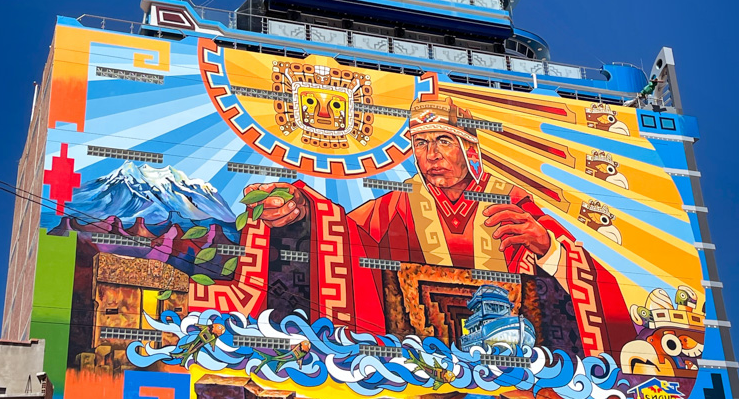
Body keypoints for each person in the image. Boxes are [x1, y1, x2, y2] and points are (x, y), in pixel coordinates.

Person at [240, 94, 636, 359]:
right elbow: (344, 239)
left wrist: (547, 248)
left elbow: (597, 285)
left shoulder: (512, 203)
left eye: (444, 141)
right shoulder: (397, 205)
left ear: (468, 148)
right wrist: (302, 209)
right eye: (421, 144)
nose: (431, 155)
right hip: (416, 366)